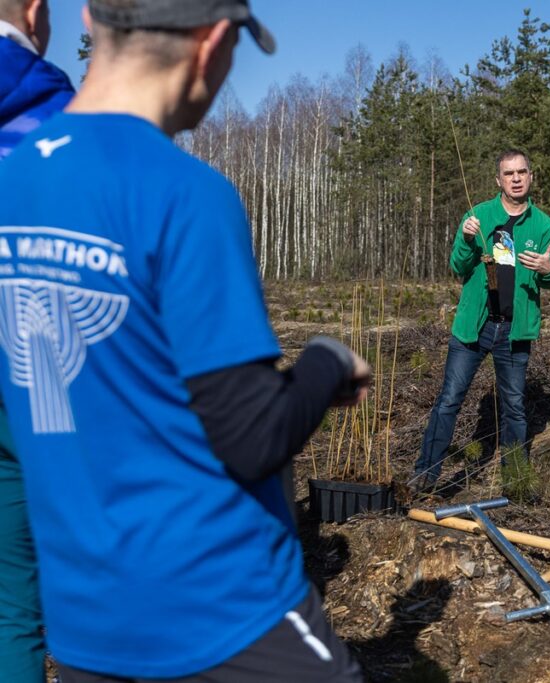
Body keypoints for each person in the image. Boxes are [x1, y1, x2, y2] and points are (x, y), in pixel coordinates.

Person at [0, 1, 369, 680]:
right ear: (211, 44)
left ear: (89, 20)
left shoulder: (13, 179)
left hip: (87, 620)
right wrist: (327, 360)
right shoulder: (186, 192)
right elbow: (253, 434)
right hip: (221, 606)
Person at [410, 149, 550, 491]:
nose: (516, 178)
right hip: (474, 328)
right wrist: (466, 239)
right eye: (509, 173)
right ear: (499, 180)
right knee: (449, 400)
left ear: (531, 176)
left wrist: (547, 269)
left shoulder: (544, 226)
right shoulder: (478, 215)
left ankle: (515, 484)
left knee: (514, 407)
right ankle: (424, 476)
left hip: (515, 332)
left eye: (522, 172)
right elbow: (458, 267)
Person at [0, 1, 73, 680]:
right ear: (34, 11)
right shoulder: (58, 109)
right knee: (53, 587)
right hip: (40, 363)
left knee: (12, 597)